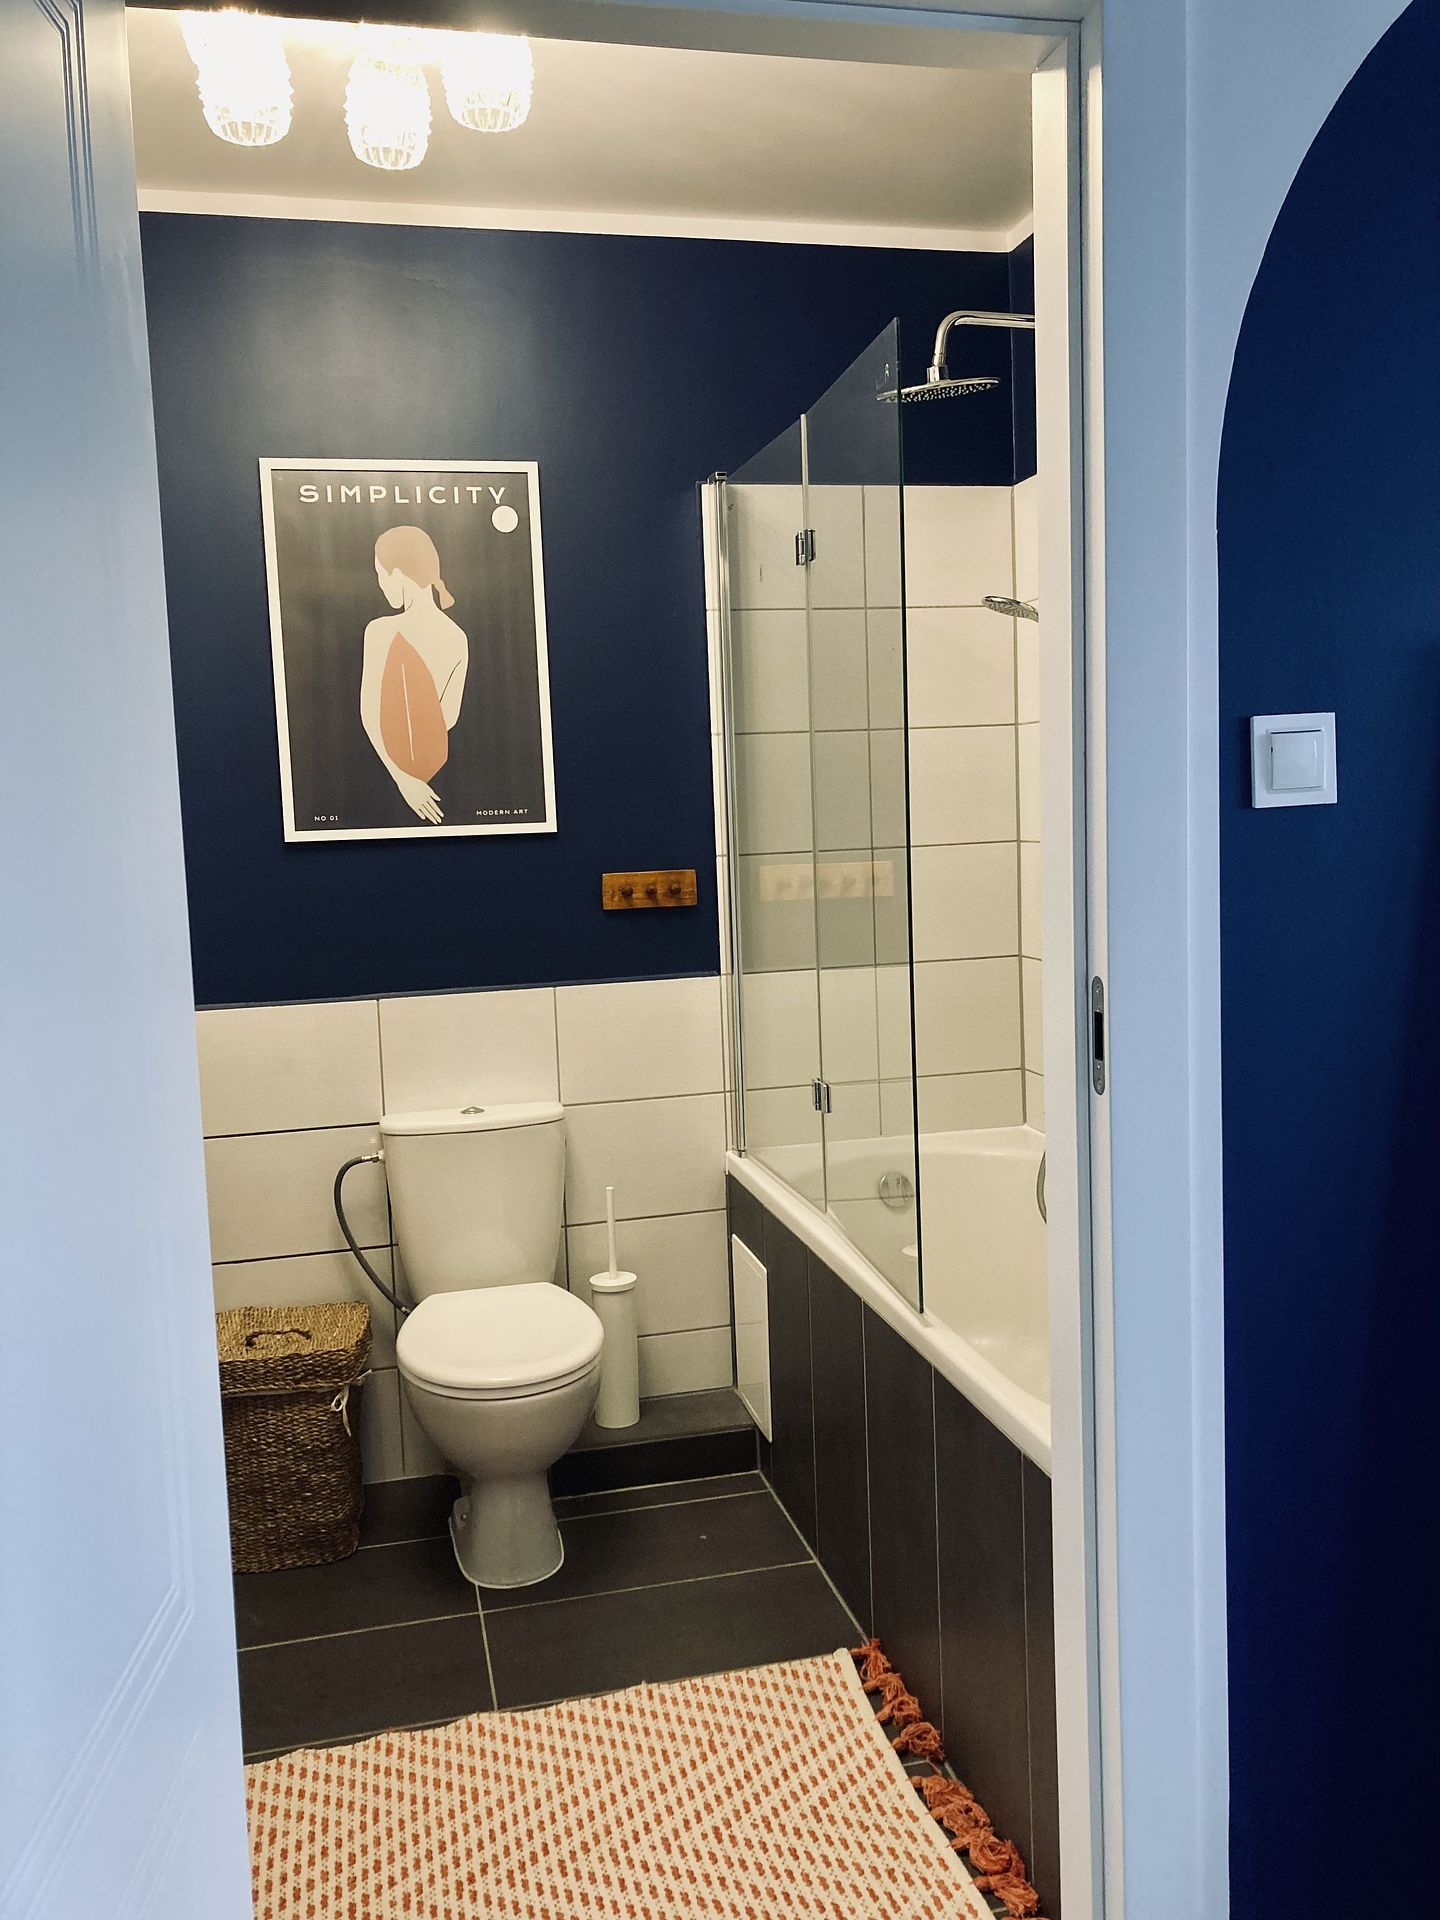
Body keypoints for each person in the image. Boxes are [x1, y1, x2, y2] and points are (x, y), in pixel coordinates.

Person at [359, 525, 469, 824]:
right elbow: (448, 718)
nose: (380, 584)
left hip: (388, 774)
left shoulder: (381, 630)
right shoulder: (458, 636)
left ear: (397, 574)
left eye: (380, 574)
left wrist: (403, 779)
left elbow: (370, 714)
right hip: (438, 771)